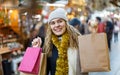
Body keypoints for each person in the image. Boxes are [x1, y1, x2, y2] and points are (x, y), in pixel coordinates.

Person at [32, 8, 88, 75]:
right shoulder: (48, 45)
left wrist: (94, 33)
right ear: (50, 27)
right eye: (53, 23)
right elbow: (42, 70)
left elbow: (90, 62)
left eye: (60, 21)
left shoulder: (77, 41)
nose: (56, 25)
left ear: (66, 23)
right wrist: (36, 51)